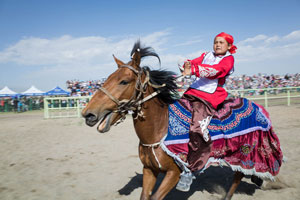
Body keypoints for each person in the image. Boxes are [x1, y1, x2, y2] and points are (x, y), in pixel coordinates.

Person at [176, 32, 237, 191]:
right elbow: (191, 63)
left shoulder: (229, 59)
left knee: (197, 129)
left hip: (209, 98)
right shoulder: (206, 55)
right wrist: (186, 64)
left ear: (229, 46)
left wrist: (193, 69)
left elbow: (216, 71)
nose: (217, 45)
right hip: (192, 93)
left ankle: (192, 169)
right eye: (215, 42)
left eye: (221, 43)